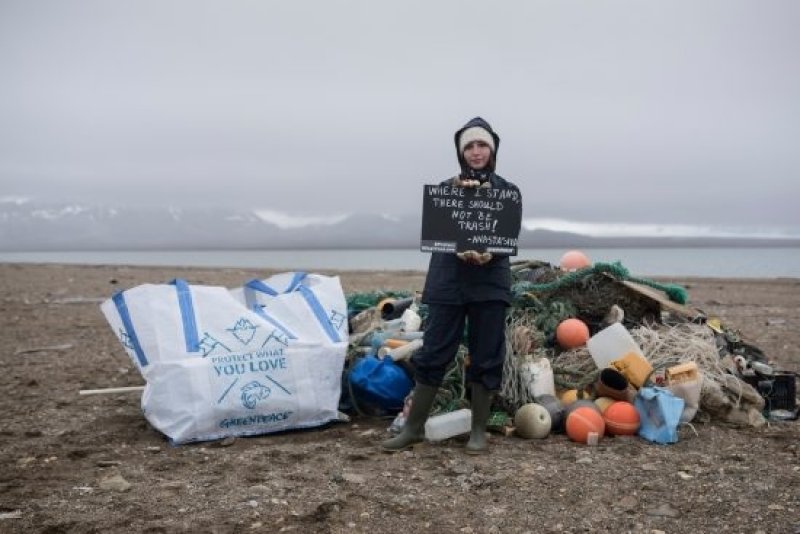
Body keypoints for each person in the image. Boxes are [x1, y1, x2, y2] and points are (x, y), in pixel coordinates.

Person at [381, 117, 522, 455]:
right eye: (469, 146)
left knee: (487, 353)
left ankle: (478, 432)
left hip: (490, 283)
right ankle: (413, 429)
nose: (476, 152)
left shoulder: (508, 192)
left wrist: (489, 253)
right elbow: (437, 234)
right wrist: (460, 246)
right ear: (461, 152)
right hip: (448, 281)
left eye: (482, 145)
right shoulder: (446, 190)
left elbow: (508, 235)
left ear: (493, 149)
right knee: (434, 352)